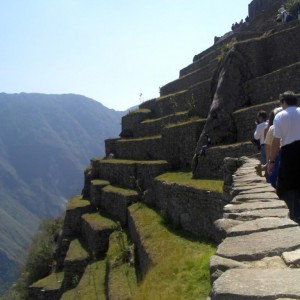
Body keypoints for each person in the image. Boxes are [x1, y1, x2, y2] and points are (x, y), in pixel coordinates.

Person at [268, 91, 300, 222]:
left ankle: (293, 217)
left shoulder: (280, 116)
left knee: (288, 186)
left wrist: (271, 161)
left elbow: (276, 141)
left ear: (284, 102)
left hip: (290, 153)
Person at [264, 107, 282, 187]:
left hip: (276, 156)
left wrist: (268, 161)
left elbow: (268, 147)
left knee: (273, 181)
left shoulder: (272, 128)